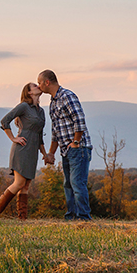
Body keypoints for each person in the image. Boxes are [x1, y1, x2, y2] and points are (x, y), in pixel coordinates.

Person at [0, 82, 51, 222]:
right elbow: (5, 121)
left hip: (33, 150)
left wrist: (45, 154)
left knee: (26, 185)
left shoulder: (41, 111)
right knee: (19, 183)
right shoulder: (24, 106)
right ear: (28, 92)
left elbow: (40, 135)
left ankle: (22, 219)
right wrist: (13, 138)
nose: (38, 86)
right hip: (22, 148)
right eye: (34, 86)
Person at [38, 69, 94, 220]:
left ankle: (83, 218)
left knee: (77, 183)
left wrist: (76, 142)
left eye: (39, 83)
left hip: (78, 148)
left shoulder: (67, 96)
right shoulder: (53, 103)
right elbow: (56, 131)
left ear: (47, 82)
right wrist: (51, 153)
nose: (39, 86)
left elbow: (79, 120)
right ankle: (71, 217)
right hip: (66, 151)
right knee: (68, 185)